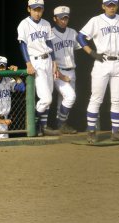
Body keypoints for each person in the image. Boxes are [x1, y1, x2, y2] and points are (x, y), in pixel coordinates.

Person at [77, 0, 119, 143]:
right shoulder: (96, 20)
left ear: (117, 6)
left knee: (117, 99)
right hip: (102, 62)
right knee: (96, 98)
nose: (111, 7)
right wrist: (92, 53)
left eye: (113, 5)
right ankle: (91, 132)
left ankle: (115, 132)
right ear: (103, 6)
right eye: (109, 5)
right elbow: (80, 37)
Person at [17, 0, 60, 136]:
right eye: (35, 9)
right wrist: (28, 63)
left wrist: (54, 62)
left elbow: (49, 43)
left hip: (48, 60)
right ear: (29, 9)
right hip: (36, 61)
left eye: (39, 9)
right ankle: (33, 123)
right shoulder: (24, 24)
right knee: (46, 98)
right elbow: (22, 44)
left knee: (48, 96)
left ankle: (43, 127)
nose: (37, 12)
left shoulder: (46, 23)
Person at [50, 5, 82, 134]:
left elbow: (78, 48)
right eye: (61, 18)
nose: (63, 21)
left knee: (63, 101)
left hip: (71, 70)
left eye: (66, 18)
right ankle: (61, 124)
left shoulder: (73, 32)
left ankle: (60, 127)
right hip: (58, 71)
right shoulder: (50, 33)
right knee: (70, 97)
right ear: (55, 18)